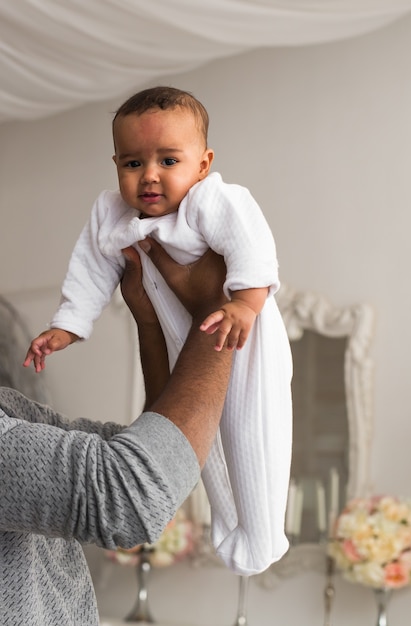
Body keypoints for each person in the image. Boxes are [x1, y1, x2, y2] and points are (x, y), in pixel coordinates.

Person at [24, 86, 293, 575]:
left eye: (169, 160)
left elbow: (251, 245)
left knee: (253, 429)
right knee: (199, 435)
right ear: (116, 165)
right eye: (132, 163)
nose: (149, 175)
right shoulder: (112, 214)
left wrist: (245, 306)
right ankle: (229, 526)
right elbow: (90, 270)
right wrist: (68, 325)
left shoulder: (212, 201)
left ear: (203, 163)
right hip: (180, 333)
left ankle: (264, 532)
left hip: (241, 332)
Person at [0, 241, 233, 626]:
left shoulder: (10, 408)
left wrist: (149, 322)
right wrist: (216, 308)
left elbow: (158, 459)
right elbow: (131, 497)